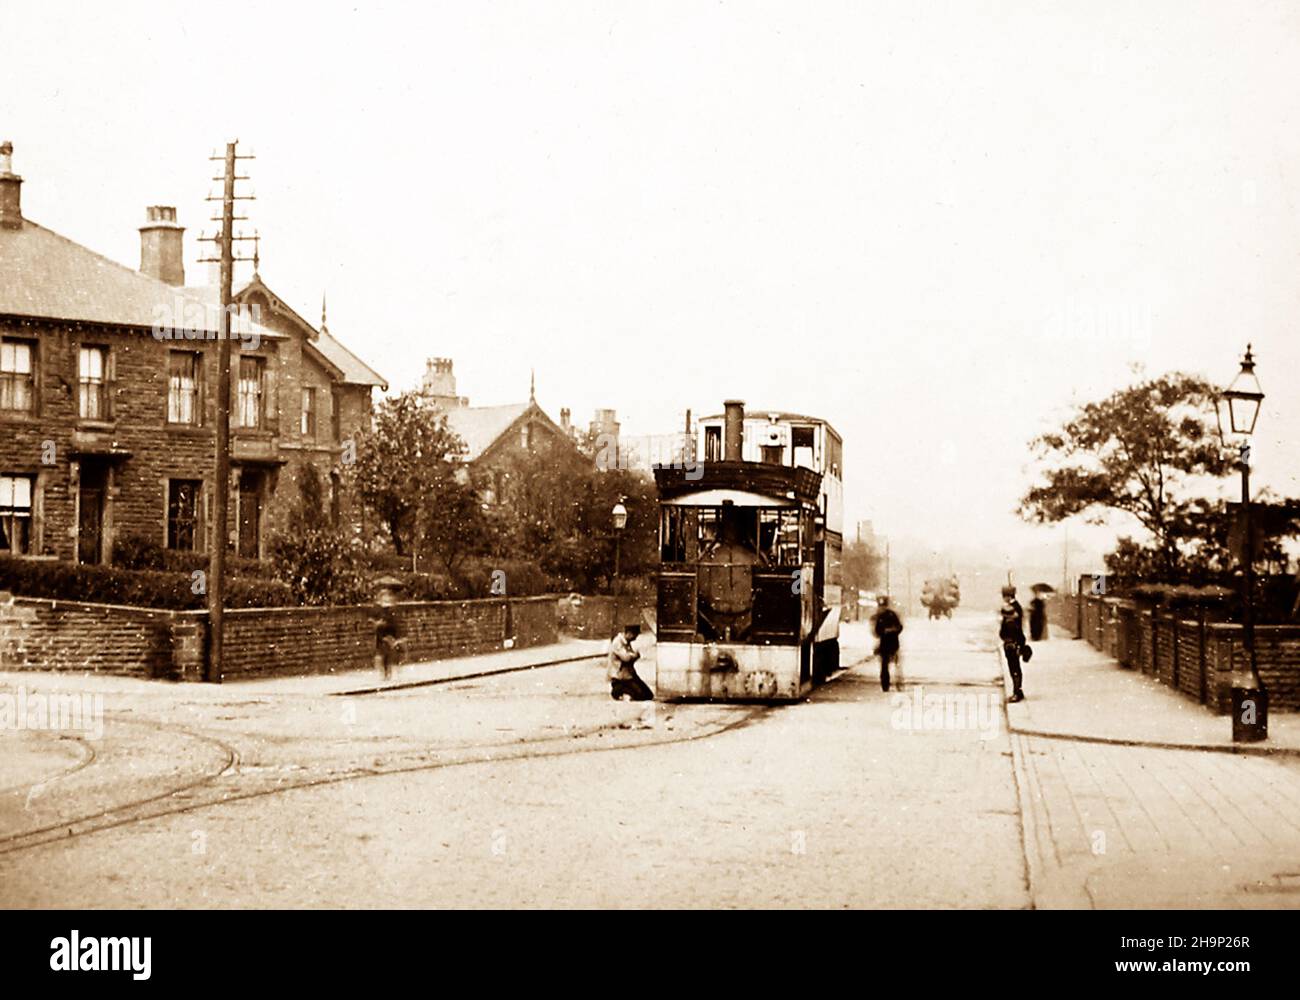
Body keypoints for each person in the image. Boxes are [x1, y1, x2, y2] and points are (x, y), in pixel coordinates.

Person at [608, 623, 653, 701]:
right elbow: (626, 658)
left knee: (648, 695)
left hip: (629, 674)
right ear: (628, 633)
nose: (635, 638)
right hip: (621, 677)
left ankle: (623, 691)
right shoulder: (617, 643)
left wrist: (633, 655)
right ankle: (618, 690)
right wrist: (634, 655)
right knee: (640, 695)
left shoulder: (626, 642)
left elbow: (632, 656)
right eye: (634, 635)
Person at [999, 585, 1026, 702]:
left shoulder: (1013, 608)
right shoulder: (1014, 607)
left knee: (1014, 668)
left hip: (1013, 642)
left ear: (1008, 596)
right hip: (1011, 642)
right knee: (1013, 667)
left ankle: (1017, 692)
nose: (1003, 598)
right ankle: (1018, 691)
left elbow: (1014, 628)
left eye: (1004, 596)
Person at [871, 595, 904, 692]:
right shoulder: (879, 617)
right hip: (884, 644)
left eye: (883, 606)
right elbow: (876, 631)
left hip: (893, 643)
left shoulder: (892, 615)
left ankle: (899, 683)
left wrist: (893, 630)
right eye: (880, 606)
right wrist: (884, 631)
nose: (882, 608)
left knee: (896, 665)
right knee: (884, 666)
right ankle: (885, 684)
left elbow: (899, 627)